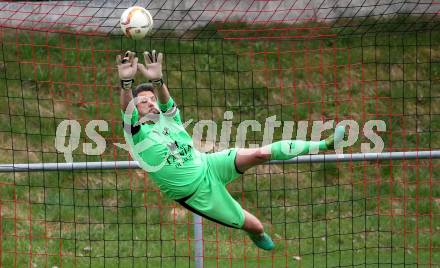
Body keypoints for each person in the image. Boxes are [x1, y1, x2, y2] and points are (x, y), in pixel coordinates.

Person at [117, 50, 346, 251]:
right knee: (257, 226)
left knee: (261, 154)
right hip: (198, 194)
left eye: (152, 99)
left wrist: (158, 81)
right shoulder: (138, 135)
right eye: (143, 101)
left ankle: (325, 144)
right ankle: (255, 233)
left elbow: (166, 102)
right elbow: (127, 111)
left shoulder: (171, 120)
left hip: (208, 165)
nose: (150, 102)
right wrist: (126, 85)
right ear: (136, 110)